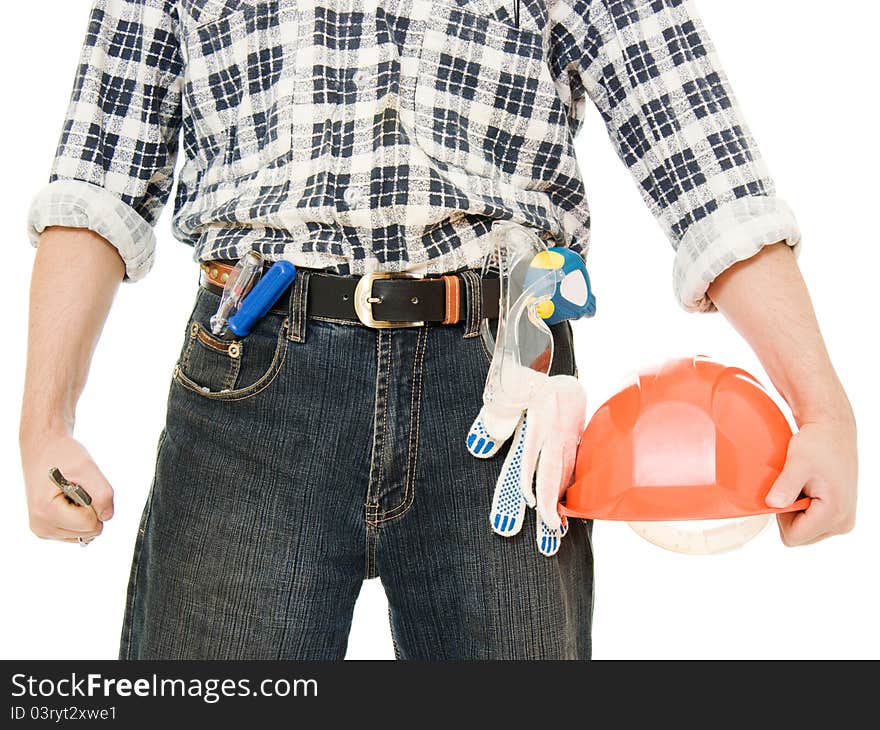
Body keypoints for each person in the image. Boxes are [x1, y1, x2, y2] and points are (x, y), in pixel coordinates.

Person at [19, 0, 857, 660]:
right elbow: (96, 181)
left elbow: (704, 165)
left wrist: (823, 408)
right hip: (253, 386)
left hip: (504, 390)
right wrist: (43, 421)